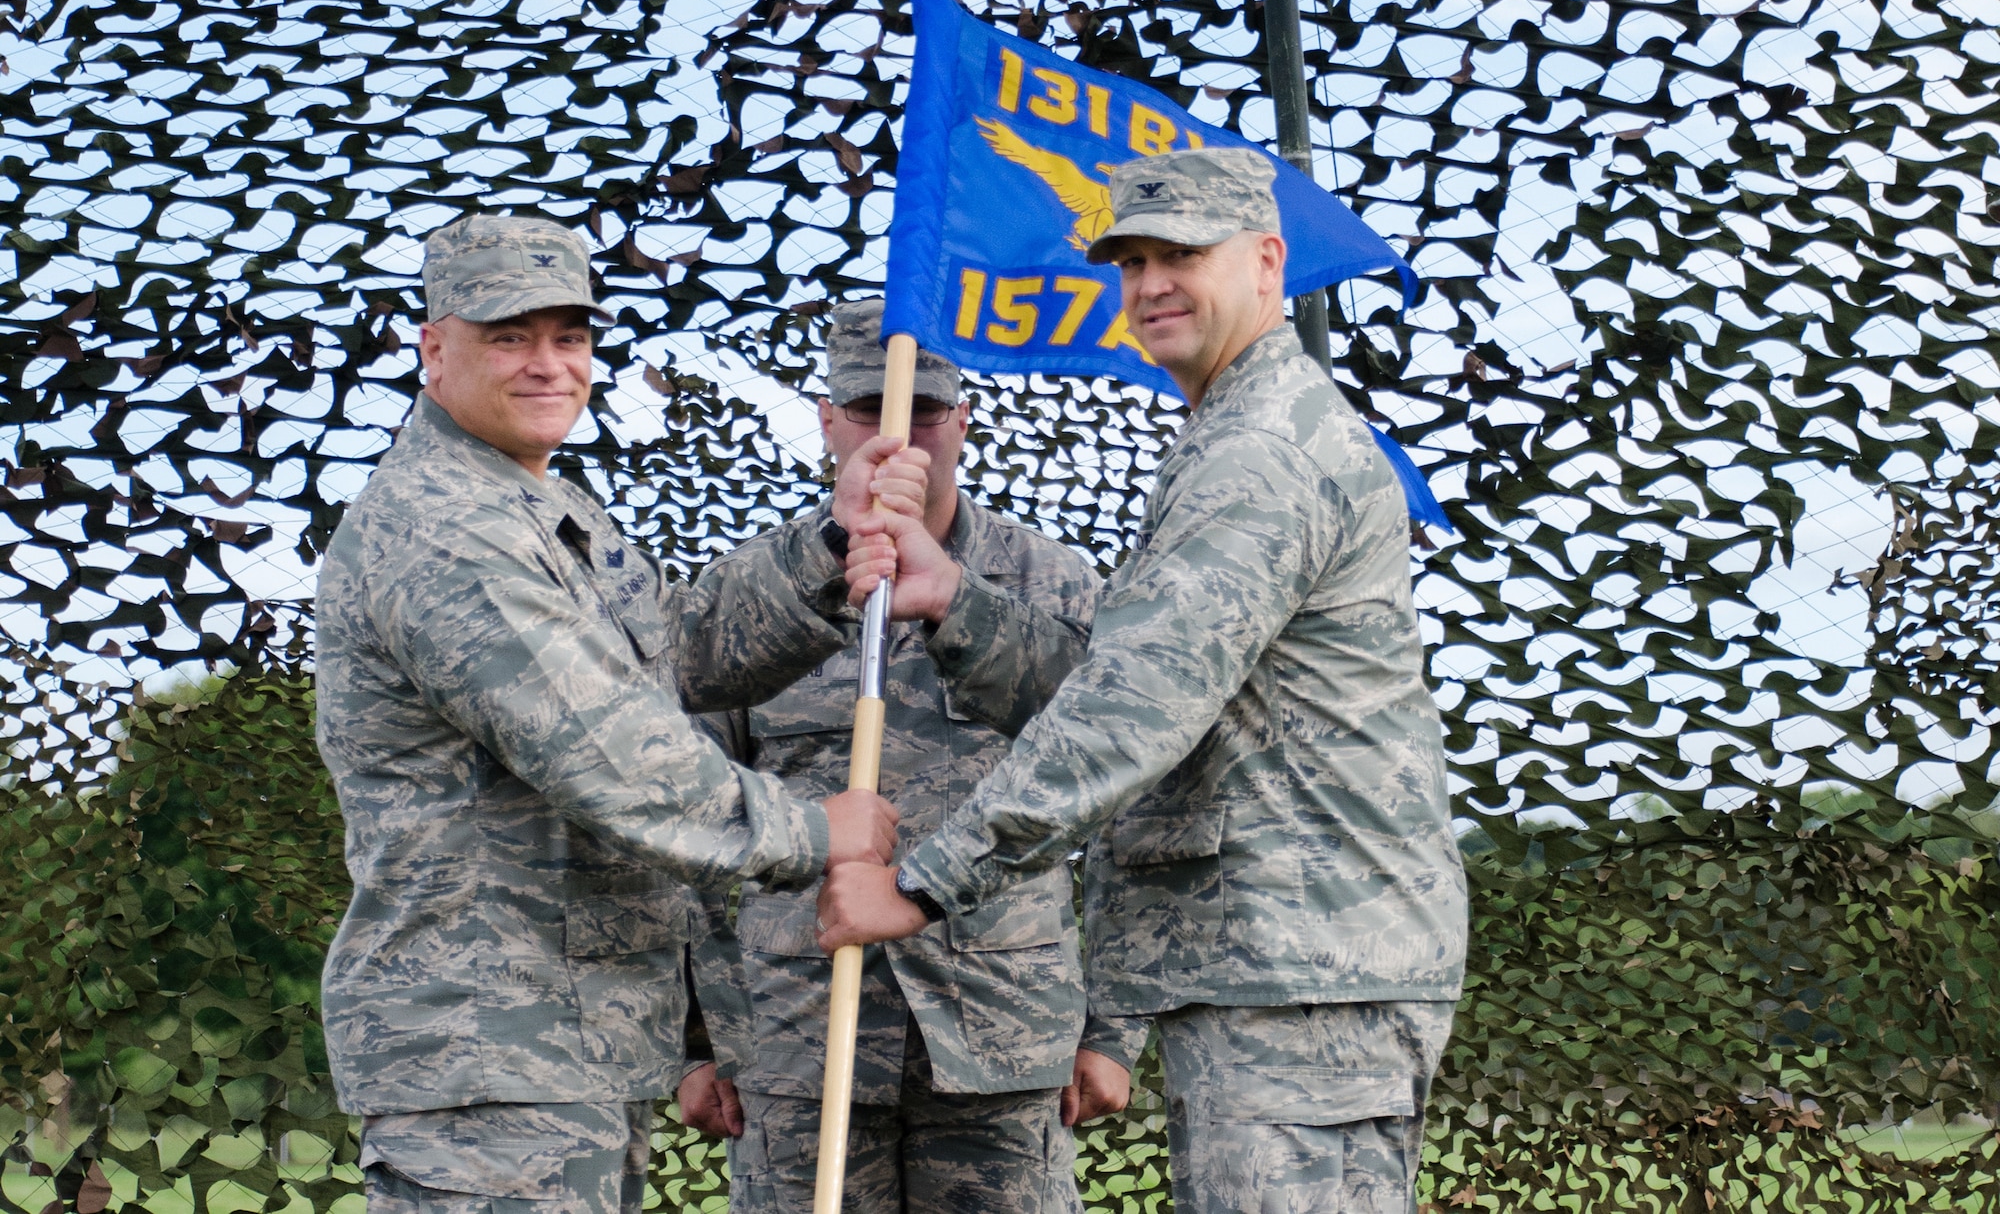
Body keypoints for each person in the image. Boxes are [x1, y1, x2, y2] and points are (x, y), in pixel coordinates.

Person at [819, 150, 1469, 1214]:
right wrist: (960, 604)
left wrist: (923, 882)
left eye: (1182, 255)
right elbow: (1137, 677)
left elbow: (1138, 707)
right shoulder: (1233, 431)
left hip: (1305, 968)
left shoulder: (1261, 454)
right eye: (1131, 260)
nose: (1151, 283)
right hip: (1281, 961)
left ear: (1267, 262)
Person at [313, 214, 908, 1214]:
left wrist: (824, 546)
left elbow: (669, 654)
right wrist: (810, 831)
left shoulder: (540, 509)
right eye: (509, 336)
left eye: (570, 337)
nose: (549, 364)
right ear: (433, 349)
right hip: (486, 1059)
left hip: (550, 1050)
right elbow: (604, 752)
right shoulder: (446, 530)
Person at [675, 300, 1117, 1214]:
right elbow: (683, 826)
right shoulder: (757, 601)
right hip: (799, 1039)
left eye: (922, 408)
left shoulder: (1054, 584)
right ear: (827, 416)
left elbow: (1125, 796)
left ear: (962, 419)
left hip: (1003, 1036)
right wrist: (698, 1039)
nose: (897, 431)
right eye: (871, 405)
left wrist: (1112, 1028)